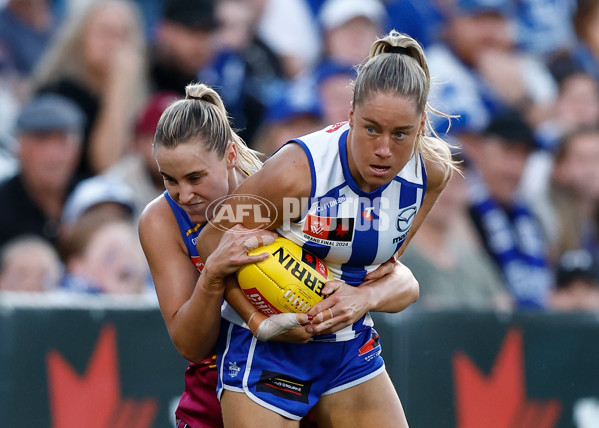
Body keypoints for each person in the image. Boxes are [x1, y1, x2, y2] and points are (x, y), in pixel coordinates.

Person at [197, 30, 455, 427]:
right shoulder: (299, 174)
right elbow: (211, 243)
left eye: (400, 134)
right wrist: (259, 321)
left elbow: (391, 272)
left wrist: (362, 299)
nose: (384, 148)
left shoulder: (429, 174)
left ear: (421, 126)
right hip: (270, 349)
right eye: (371, 128)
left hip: (348, 346)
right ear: (350, 115)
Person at [139, 81, 419, 427]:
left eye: (195, 178)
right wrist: (217, 281)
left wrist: (363, 296)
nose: (183, 195)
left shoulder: (282, 185)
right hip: (213, 393)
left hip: (305, 377)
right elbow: (191, 346)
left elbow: (398, 275)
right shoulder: (160, 220)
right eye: (169, 180)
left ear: (229, 156)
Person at [31, 0, 148, 179]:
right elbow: (106, 166)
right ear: (82, 36)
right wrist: (118, 87)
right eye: (105, 32)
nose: (114, 45)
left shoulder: (140, 93)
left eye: (123, 36)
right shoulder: (59, 92)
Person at [465, 110, 553, 309]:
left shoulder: (531, 218)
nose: (515, 169)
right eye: (507, 153)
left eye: (523, 157)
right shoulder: (461, 209)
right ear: (480, 151)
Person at [0, 93, 84, 249]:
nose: (52, 155)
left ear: (77, 150)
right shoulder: (4, 205)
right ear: (19, 148)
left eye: (62, 141)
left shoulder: (89, 198)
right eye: (41, 140)